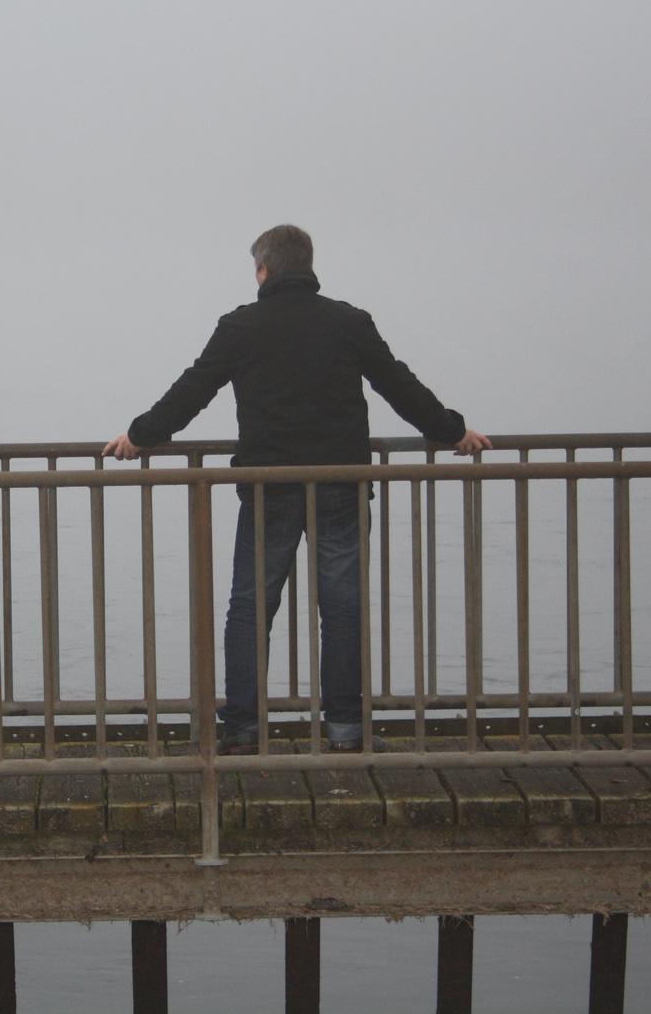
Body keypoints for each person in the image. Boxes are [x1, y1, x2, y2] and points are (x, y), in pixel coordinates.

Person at [104, 224, 491, 754]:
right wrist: (453, 432)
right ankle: (347, 731)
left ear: (263, 270)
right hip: (341, 485)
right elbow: (401, 386)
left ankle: (240, 730)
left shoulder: (240, 326)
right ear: (307, 266)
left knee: (250, 608)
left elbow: (191, 391)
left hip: (268, 487)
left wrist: (140, 436)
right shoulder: (349, 322)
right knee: (342, 608)